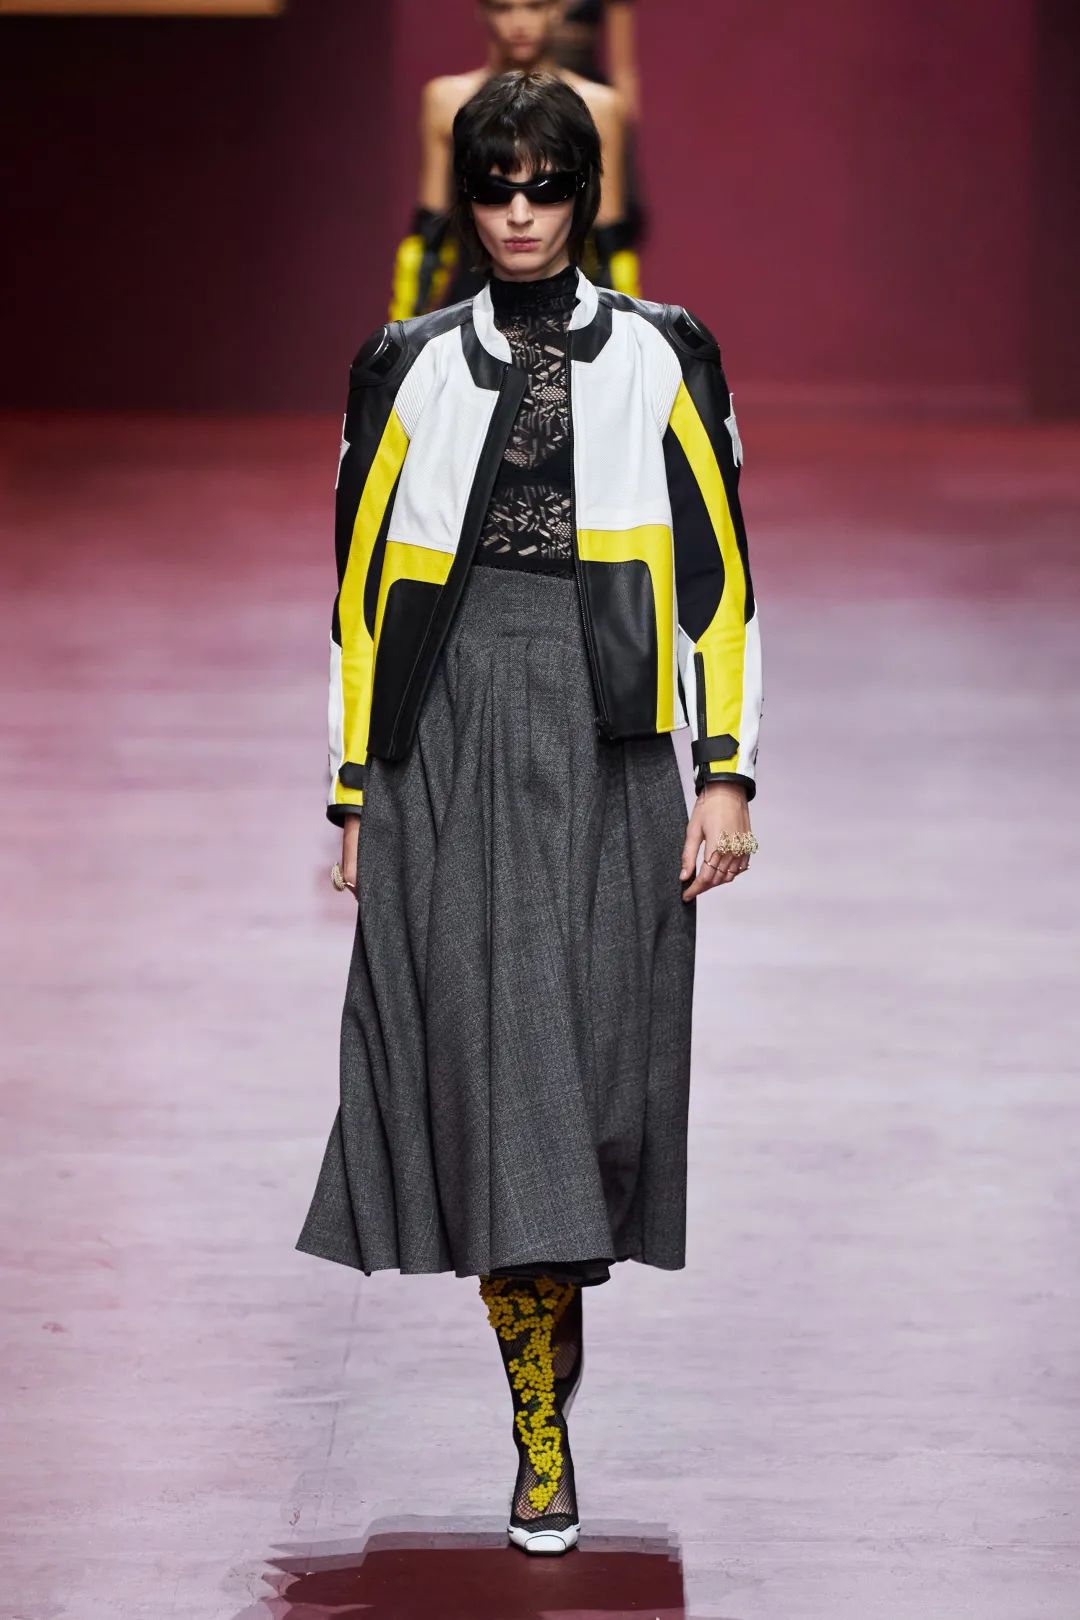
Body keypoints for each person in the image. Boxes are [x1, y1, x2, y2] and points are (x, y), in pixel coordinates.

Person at [298, 70, 763, 1557]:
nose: (517, 212)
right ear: (468, 197)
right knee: (501, 1072)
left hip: (612, 730)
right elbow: (360, 593)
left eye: (543, 185)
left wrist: (727, 770)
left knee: (597, 1079)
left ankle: (552, 1315)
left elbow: (719, 577)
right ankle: (539, 1439)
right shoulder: (404, 363)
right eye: (495, 185)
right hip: (448, 731)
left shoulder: (666, 354)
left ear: (583, 195)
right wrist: (355, 787)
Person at [389, 0, 639, 320]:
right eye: (503, 8)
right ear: (482, 12)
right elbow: (431, 234)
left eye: (533, 7)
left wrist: (628, 324)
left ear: (558, 9)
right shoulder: (446, 100)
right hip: (474, 292)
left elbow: (609, 240)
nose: (519, 23)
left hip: (568, 303)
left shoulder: (599, 106)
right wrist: (403, 327)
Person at [552, 0, 648, 245]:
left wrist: (622, 124)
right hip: (536, 85)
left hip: (590, 95)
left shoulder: (603, 102)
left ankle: (608, 259)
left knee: (608, 204)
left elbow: (623, 66)